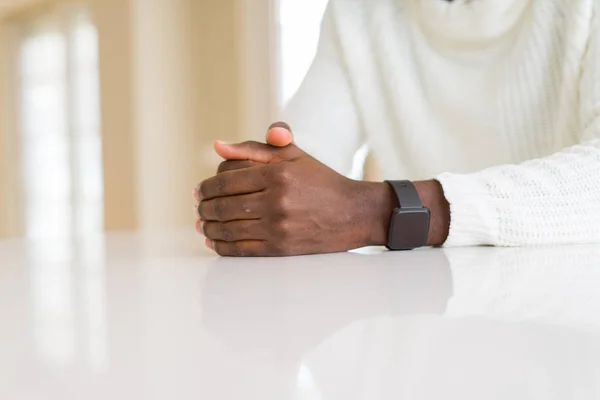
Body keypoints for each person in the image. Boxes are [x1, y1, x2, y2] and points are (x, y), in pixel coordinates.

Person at [194, 0, 600, 257]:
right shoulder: (357, 12)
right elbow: (306, 161)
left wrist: (376, 211)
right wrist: (265, 182)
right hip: (422, 316)